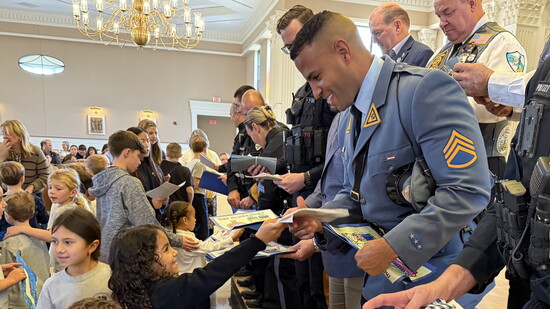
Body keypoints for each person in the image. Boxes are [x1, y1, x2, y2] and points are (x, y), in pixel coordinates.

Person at [288, 10, 491, 306]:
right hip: (383, 285)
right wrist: (322, 220)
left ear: (343, 51)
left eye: (317, 77)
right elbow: (354, 195)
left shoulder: (423, 90)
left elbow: (467, 191)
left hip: (436, 286)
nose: (315, 92)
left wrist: (395, 246)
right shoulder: (347, 117)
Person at [363, 52, 550, 309]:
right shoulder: (544, 74)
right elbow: (515, 199)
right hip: (529, 281)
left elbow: (466, 191)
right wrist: (446, 284)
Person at [276, 7, 339, 308]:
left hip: (324, 197)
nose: (293, 53)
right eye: (288, 48)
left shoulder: (333, 89)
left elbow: (338, 156)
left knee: (319, 285)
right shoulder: (303, 92)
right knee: (300, 273)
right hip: (300, 195)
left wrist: (307, 178)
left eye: (296, 44)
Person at [427, 0, 526, 178]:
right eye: (439, 16)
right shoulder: (444, 51)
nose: (442, 23)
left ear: (472, 4)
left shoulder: (501, 42)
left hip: (481, 160)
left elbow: (496, 107)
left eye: (448, 13)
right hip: (441, 158)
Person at [283, 111, 365, 309]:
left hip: (357, 243)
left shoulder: (364, 115)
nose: (318, 92)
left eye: (318, 78)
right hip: (333, 248)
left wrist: (318, 221)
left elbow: (355, 190)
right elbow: (327, 182)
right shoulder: (338, 118)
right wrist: (306, 209)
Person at [108, 219, 286, 309]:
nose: (175, 252)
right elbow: (212, 273)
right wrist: (257, 241)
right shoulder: (164, 293)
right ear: (144, 261)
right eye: (166, 249)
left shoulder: (136, 291)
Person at [88, 130, 197, 263]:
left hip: (106, 250)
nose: (140, 161)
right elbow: (146, 223)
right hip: (124, 252)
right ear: (127, 152)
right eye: (138, 156)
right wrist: (178, 240)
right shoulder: (129, 182)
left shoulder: (104, 179)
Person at [244, 105, 301, 308]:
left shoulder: (276, 142)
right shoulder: (277, 138)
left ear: (255, 128)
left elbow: (269, 187)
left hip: (281, 212)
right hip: (281, 210)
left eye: (250, 135)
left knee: (281, 270)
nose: (253, 141)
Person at [165, 201, 242, 309]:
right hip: (194, 283)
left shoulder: (172, 237)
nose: (196, 220)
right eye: (194, 217)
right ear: (185, 220)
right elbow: (210, 247)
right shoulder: (188, 240)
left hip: (182, 281)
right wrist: (232, 238)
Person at [36, 208, 112, 308]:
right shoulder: (52, 286)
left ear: (92, 246)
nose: (59, 249)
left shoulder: (111, 278)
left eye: (68, 242)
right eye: (55, 241)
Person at [1, 191, 50, 308]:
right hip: (42, 292)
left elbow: (3, 277)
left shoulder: (9, 244)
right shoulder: (40, 237)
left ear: (7, 215)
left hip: (20, 301)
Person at [369, 2, 433, 66]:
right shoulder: (385, 59)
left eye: (377, 33)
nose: (375, 41)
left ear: (397, 26)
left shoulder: (423, 54)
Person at [127, 126, 167, 221]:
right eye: (142, 141)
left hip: (156, 219)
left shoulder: (154, 167)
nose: (147, 144)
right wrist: (151, 203)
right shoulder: (130, 169)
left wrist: (164, 201)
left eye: (148, 141)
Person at [0, 120, 50, 194]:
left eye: (7, 133)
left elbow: (45, 175)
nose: (4, 136)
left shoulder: (35, 151)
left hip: (33, 194)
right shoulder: (2, 151)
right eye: (3, 133)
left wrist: (31, 187)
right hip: (8, 194)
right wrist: (1, 158)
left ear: (19, 135)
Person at [0, 161, 49, 230]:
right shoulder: (34, 198)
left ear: (2, 181)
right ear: (22, 179)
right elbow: (44, 219)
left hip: (5, 236)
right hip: (32, 235)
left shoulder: (1, 202)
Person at [186, 136, 211, 241]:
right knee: (203, 225)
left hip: (193, 196)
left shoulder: (191, 162)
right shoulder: (200, 163)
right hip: (198, 196)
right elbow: (196, 182)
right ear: (205, 149)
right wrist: (210, 183)